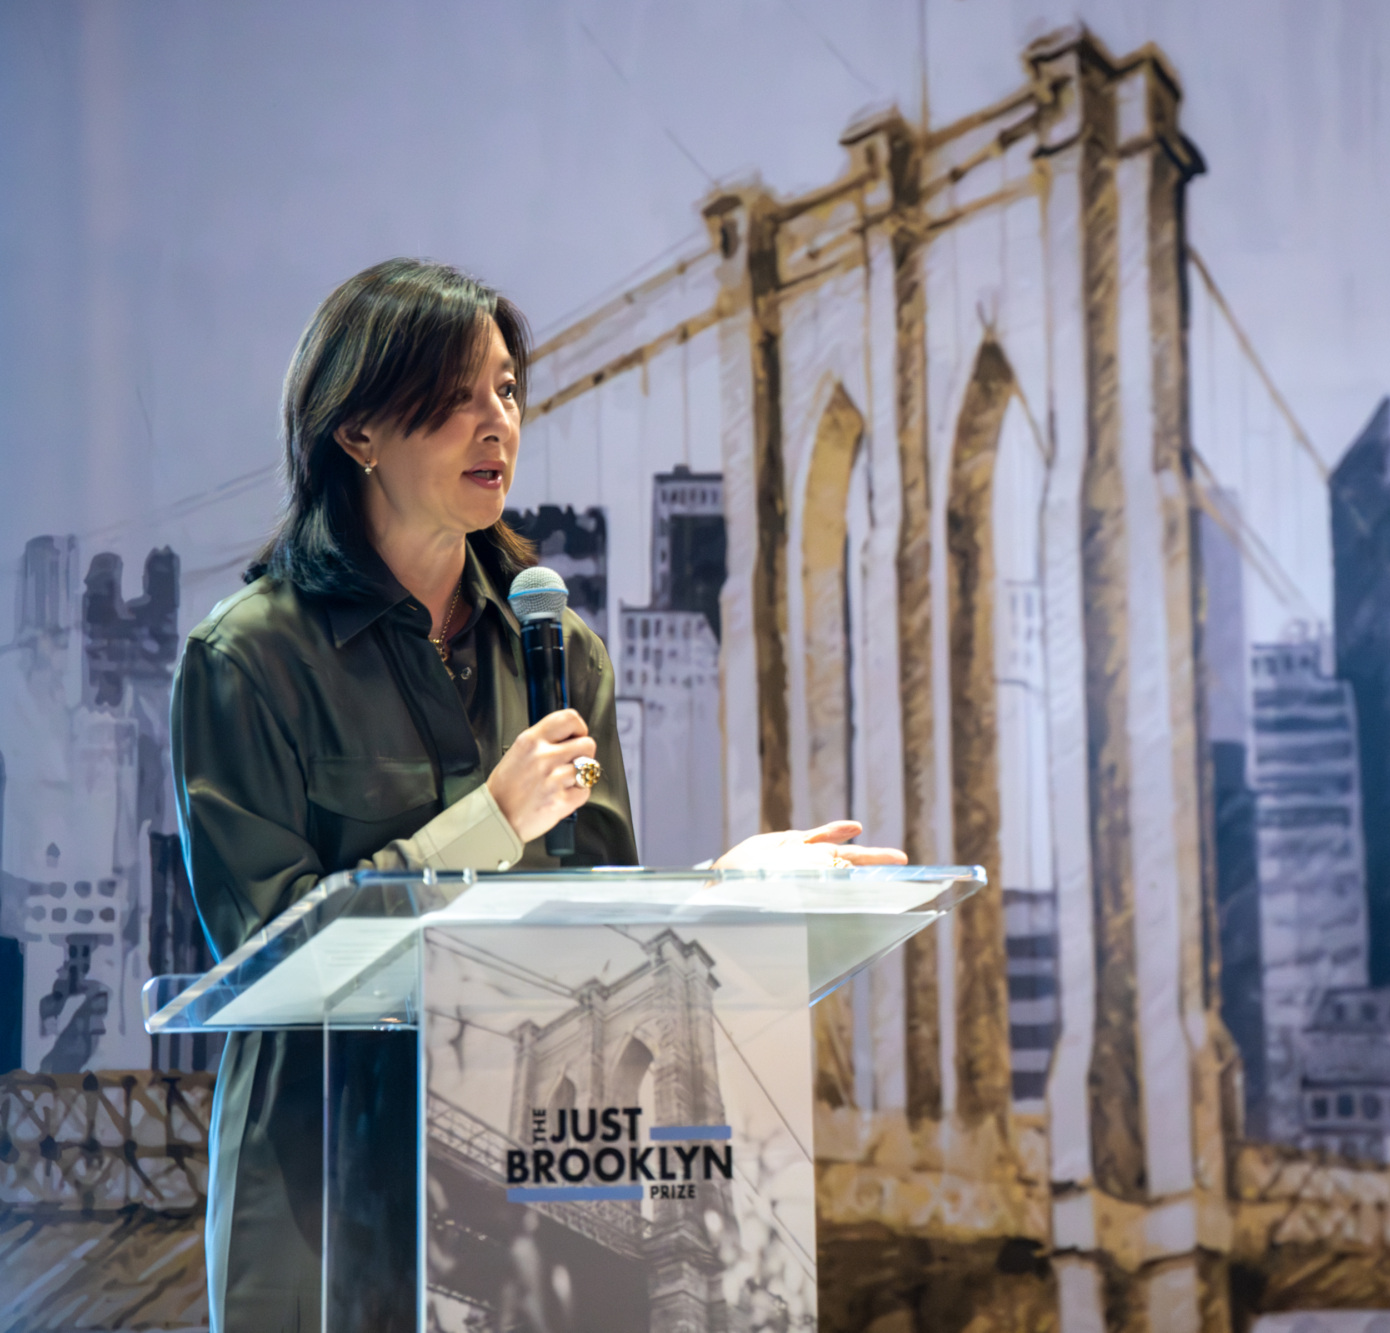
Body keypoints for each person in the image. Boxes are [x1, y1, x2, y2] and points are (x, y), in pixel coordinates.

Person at [171, 258, 901, 1333]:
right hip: (322, 1203)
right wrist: (490, 822)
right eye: (456, 395)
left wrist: (719, 892)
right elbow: (268, 953)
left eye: (507, 390)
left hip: (541, 1206)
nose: (495, 422)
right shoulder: (249, 659)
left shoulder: (559, 655)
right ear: (357, 431)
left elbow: (593, 939)